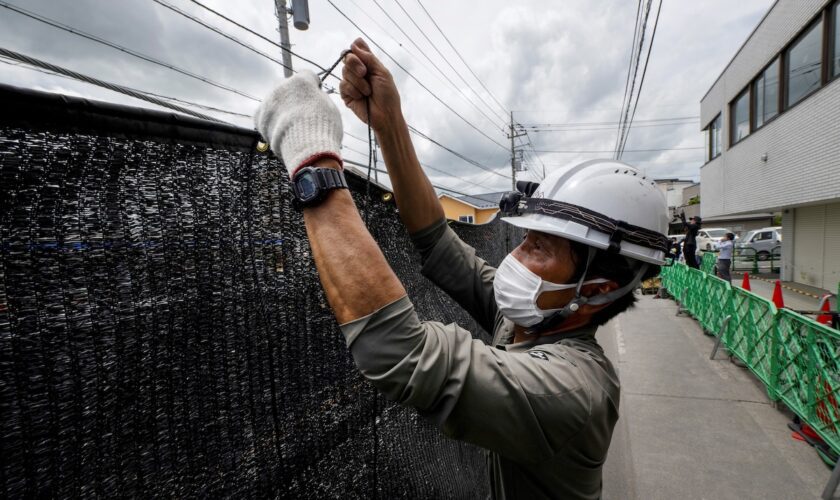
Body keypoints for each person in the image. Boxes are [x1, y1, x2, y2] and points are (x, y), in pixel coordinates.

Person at [254, 38, 669, 499]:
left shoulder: (571, 391)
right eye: (525, 238)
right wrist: (389, 122)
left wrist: (312, 160)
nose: (516, 256)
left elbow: (399, 353)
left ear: (594, 291)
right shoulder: (532, 321)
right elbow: (436, 237)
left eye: (541, 248)